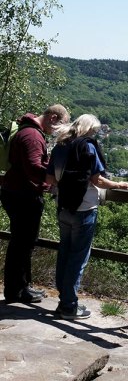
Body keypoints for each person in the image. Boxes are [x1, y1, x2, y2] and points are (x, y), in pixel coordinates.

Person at [46, 114, 128, 320]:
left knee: (64, 253)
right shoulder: (87, 146)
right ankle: (69, 306)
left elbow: (49, 178)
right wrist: (117, 185)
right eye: (94, 131)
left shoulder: (60, 146)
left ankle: (63, 301)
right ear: (89, 129)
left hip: (63, 206)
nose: (95, 135)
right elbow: (97, 179)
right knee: (78, 258)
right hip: (84, 209)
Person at [1, 104, 70, 304]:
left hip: (14, 191)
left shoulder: (27, 130)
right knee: (22, 244)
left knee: (20, 243)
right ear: (53, 117)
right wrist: (54, 178)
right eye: (60, 126)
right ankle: (18, 290)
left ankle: (21, 287)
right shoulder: (33, 136)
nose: (58, 131)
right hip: (23, 195)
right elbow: (33, 166)